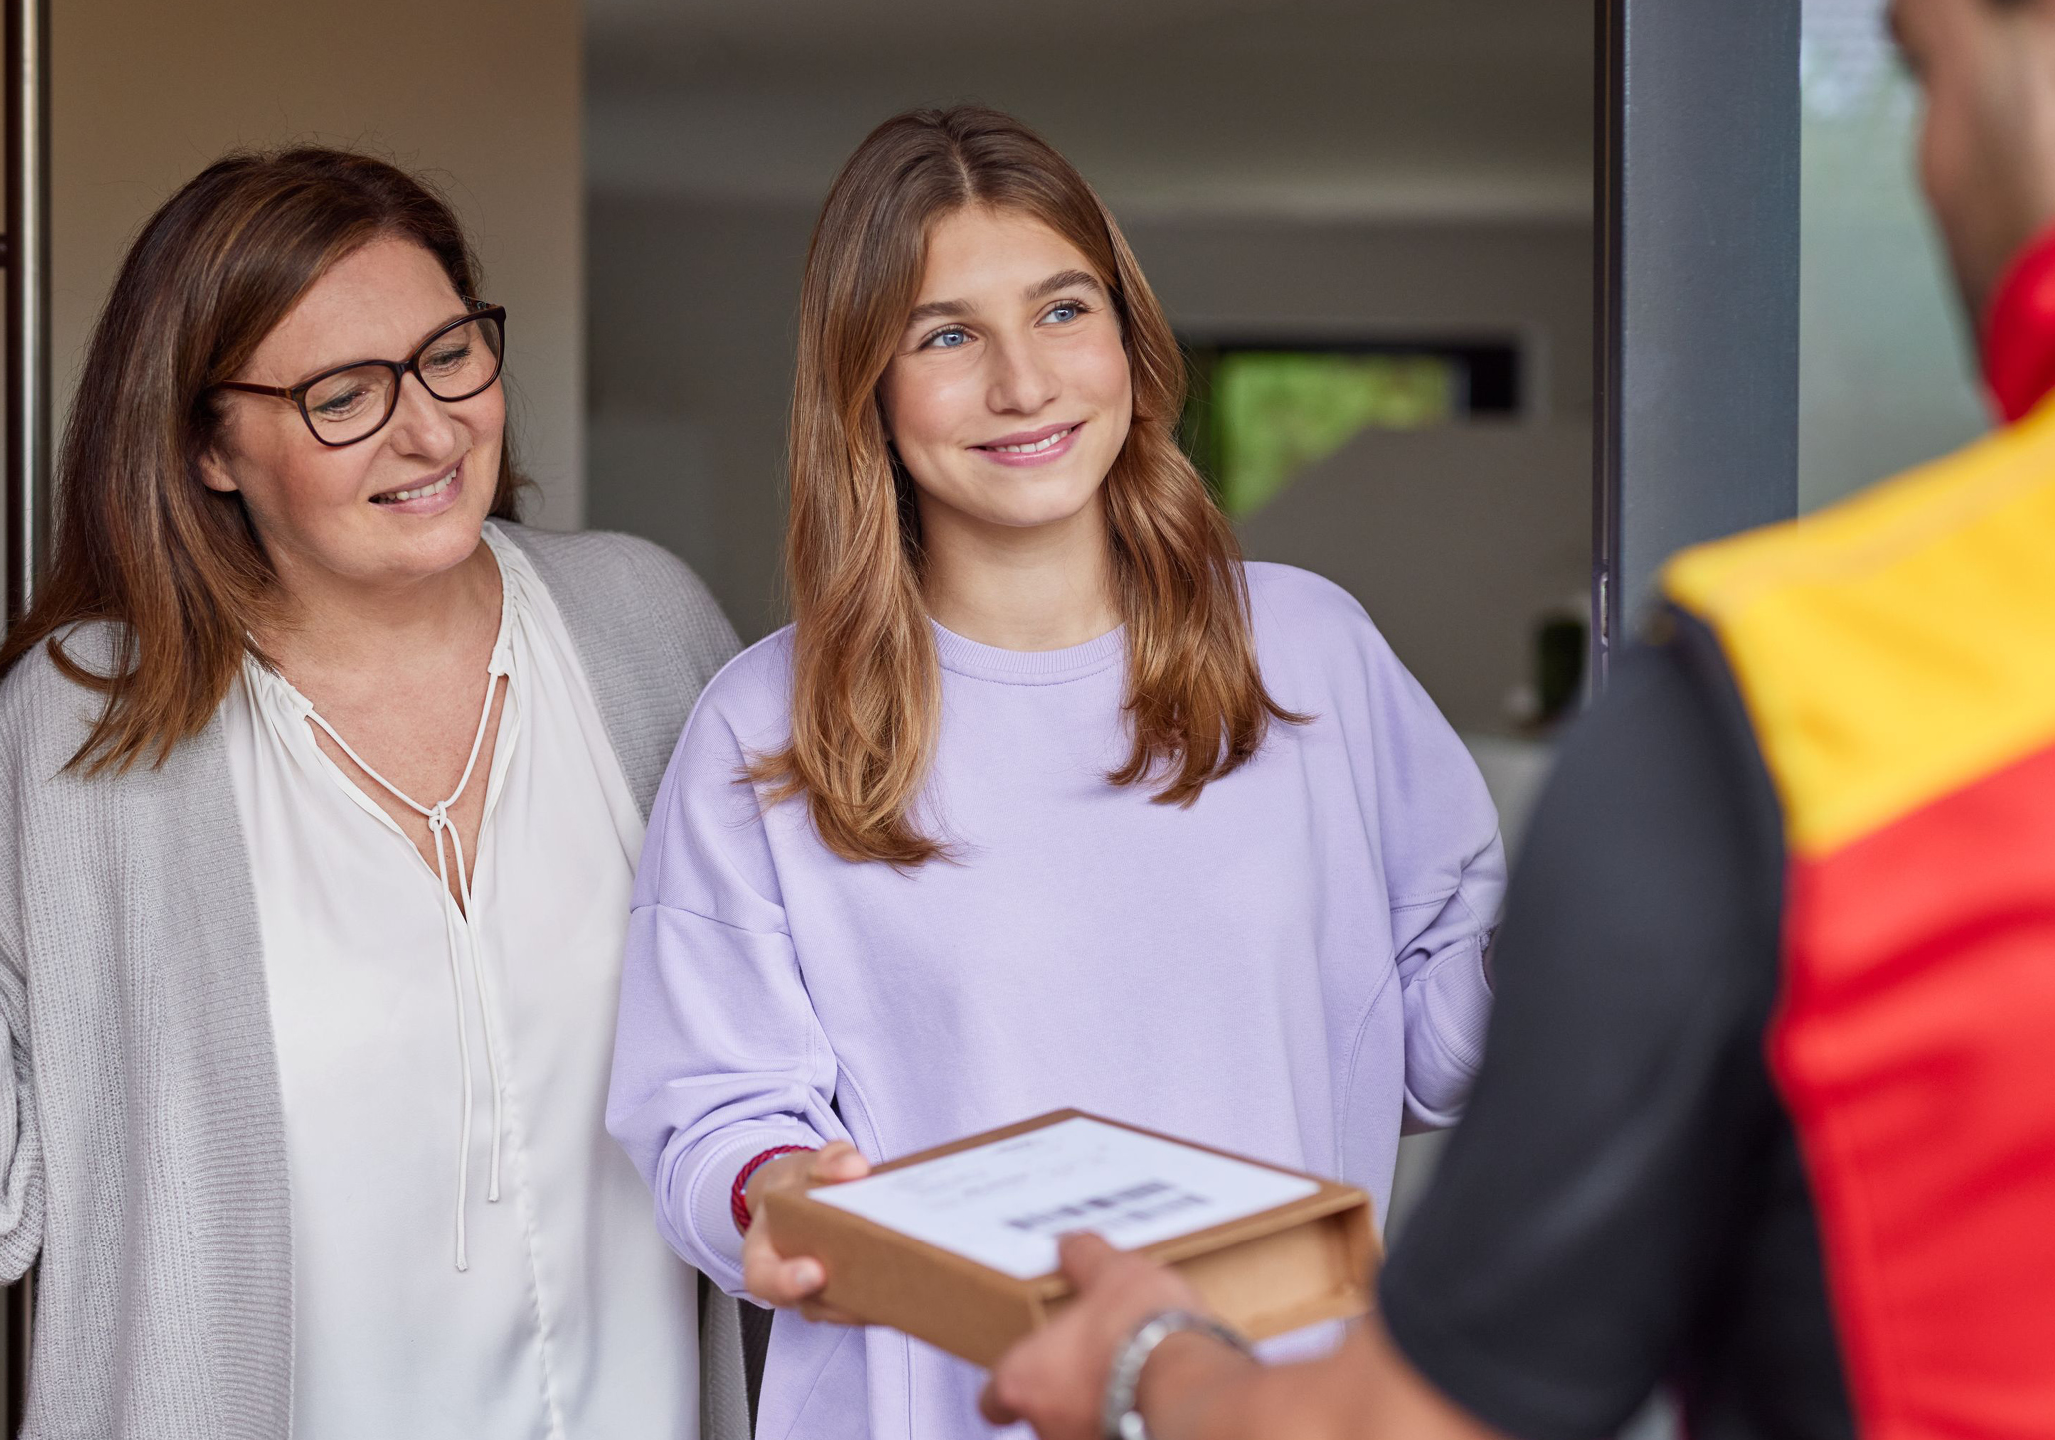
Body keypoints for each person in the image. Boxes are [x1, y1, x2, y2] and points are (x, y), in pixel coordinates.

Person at [977, 0, 2055, 1436]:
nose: (1926, 155)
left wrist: (1142, 1358)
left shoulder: (1783, 709)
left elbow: (1410, 1424)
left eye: (1921, 69)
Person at [0, 148, 751, 1440]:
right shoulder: (84, 728)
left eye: (450, 356)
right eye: (343, 395)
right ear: (211, 446)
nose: (428, 429)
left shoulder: (650, 633)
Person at [605, 107, 1505, 1440]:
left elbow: (1435, 1039)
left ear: (1130, 342)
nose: (1025, 384)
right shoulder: (769, 725)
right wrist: (778, 1188)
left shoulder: (1309, 652)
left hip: (1273, 1409)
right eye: (947, 335)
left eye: (1063, 310)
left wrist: (1600, 952)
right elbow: (711, 1111)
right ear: (868, 386)